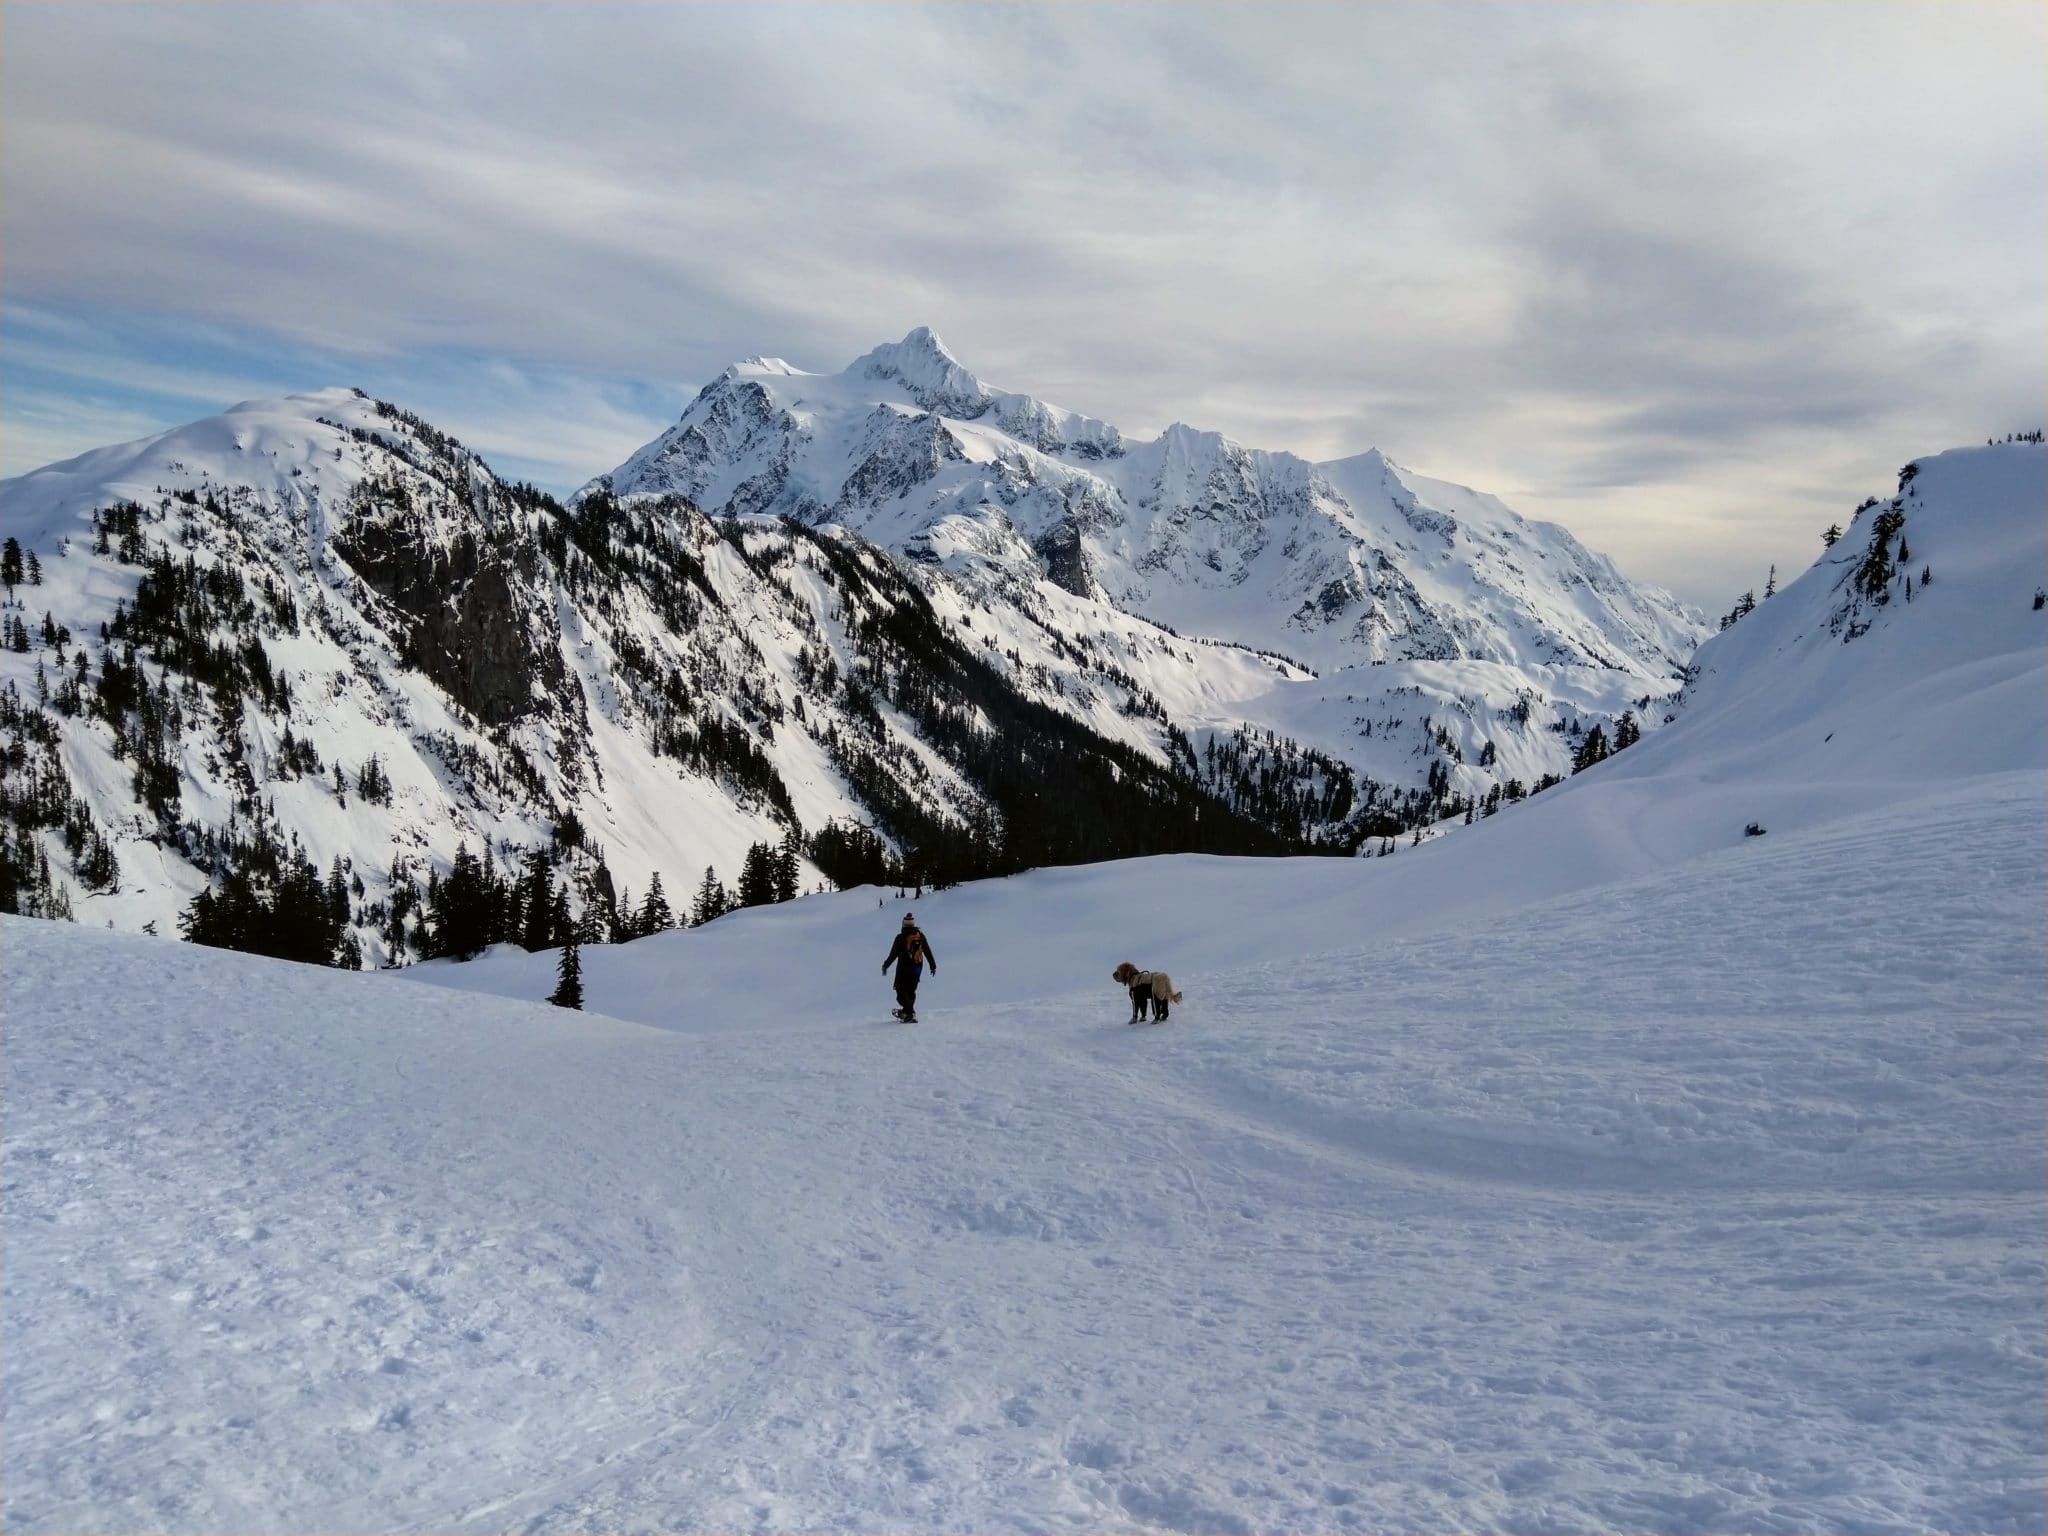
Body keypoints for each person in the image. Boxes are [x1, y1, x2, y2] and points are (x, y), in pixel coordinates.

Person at [882, 912, 937, 1020]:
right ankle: (908, 1010)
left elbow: (893, 954)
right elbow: (927, 951)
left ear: (903, 924)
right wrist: (932, 966)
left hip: (904, 969)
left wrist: (885, 965)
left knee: (901, 990)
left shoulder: (900, 938)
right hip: (917, 968)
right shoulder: (920, 935)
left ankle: (909, 1012)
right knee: (911, 990)